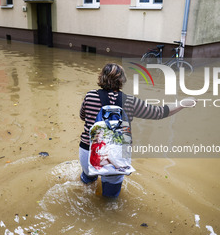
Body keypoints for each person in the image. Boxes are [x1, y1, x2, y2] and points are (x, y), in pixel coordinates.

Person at [79, 63, 196, 198]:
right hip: (115, 157)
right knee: (110, 198)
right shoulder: (129, 101)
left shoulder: (90, 96)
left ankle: (86, 187)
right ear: (122, 80)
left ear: (101, 77)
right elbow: (159, 113)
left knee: (87, 183)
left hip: (88, 151)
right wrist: (183, 103)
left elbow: (83, 116)